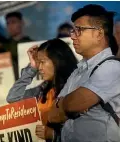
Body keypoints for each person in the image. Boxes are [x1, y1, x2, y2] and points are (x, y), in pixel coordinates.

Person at [47, 4, 120, 142]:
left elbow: (73, 104)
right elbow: (53, 115)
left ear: (98, 34)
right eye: (72, 31)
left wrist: (66, 105)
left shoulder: (112, 68)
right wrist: (69, 107)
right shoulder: (78, 71)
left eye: (79, 30)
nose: (72, 36)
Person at [6, 38, 77, 141]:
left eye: (42, 62)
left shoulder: (75, 89)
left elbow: (83, 132)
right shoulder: (41, 90)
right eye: (38, 63)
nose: (39, 68)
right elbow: (13, 98)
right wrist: (31, 68)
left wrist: (53, 136)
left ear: (58, 61)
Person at [5, 11, 33, 80]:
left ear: (21, 23)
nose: (10, 26)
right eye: (8, 23)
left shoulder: (31, 44)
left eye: (13, 22)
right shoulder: (4, 45)